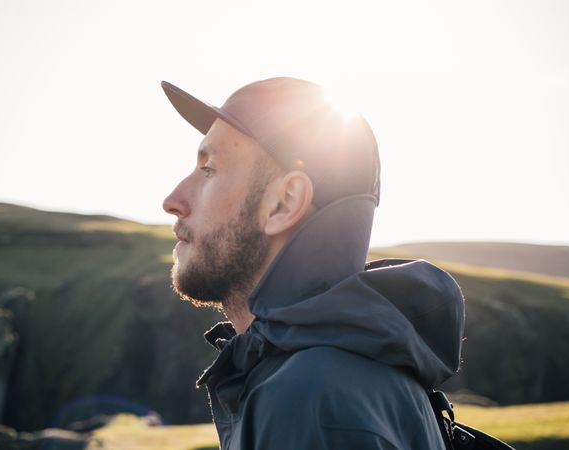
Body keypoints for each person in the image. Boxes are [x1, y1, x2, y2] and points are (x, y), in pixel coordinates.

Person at [161, 77, 464, 450]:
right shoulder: (353, 372)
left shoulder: (308, 400)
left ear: (285, 203)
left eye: (209, 170)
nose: (173, 199)